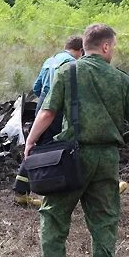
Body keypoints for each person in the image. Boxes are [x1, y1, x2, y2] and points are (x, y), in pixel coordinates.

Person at [23, 24, 129, 257]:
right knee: (104, 223)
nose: (113, 51)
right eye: (113, 46)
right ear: (105, 47)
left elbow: (48, 112)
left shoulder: (68, 72)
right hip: (107, 159)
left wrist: (31, 140)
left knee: (53, 217)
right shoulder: (120, 79)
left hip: (72, 159)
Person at [13, 36, 83, 206]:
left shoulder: (50, 61)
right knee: (70, 145)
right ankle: (97, 185)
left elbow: (37, 88)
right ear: (81, 51)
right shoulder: (71, 64)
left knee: (37, 148)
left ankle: (20, 191)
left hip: (42, 108)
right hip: (56, 110)